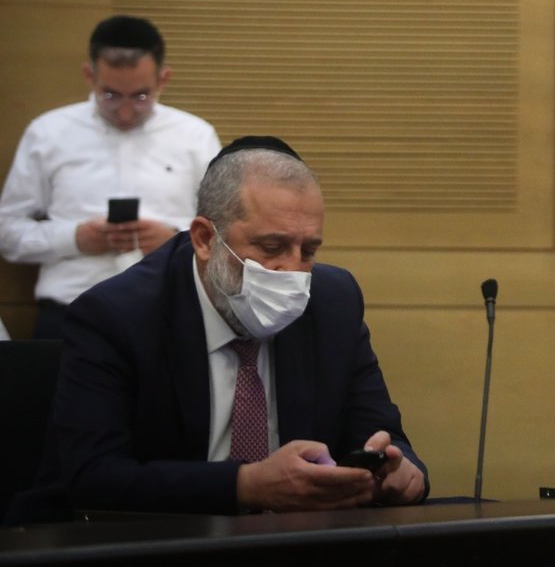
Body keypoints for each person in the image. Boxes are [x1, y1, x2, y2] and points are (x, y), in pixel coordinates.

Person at [6, 136, 428, 522]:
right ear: (205, 239)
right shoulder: (115, 316)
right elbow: (92, 477)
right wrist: (246, 485)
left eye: (309, 250)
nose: (294, 270)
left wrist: (403, 472)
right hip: (155, 543)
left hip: (295, 543)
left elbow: (382, 432)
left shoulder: (333, 302)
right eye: (272, 247)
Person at [0, 15, 221, 338]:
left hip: (170, 315)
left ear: (163, 79)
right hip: (70, 315)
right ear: (89, 76)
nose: (125, 112)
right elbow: (7, 232)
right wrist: (74, 238)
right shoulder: (47, 133)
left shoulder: (196, 137)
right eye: (111, 95)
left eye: (140, 96)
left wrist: (175, 241)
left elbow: (225, 234)